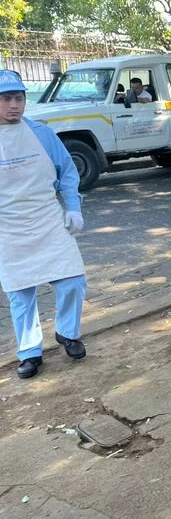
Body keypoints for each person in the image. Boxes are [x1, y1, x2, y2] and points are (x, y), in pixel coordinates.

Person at [0, 70, 87, 379]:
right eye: (7, 99)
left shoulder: (42, 133)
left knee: (73, 280)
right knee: (20, 293)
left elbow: (67, 171)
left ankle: (67, 332)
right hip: (8, 229)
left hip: (47, 218)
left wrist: (72, 208)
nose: (15, 105)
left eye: (19, 98)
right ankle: (29, 352)